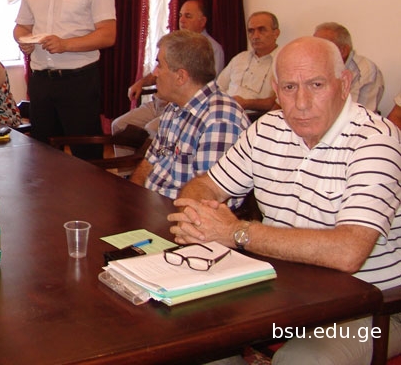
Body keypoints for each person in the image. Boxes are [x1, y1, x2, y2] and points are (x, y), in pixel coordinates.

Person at [168, 37, 401, 364]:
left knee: (301, 361)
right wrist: (200, 216)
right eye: (290, 88)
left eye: (316, 85)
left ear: (344, 84)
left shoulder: (375, 141)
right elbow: (206, 185)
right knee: (191, 335)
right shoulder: (267, 129)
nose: (302, 102)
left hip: (373, 310)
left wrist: (236, 232)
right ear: (276, 90)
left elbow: (348, 252)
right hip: (285, 294)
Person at [13, 0, 116, 143]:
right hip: (41, 81)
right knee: (43, 153)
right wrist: (23, 40)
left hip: (78, 81)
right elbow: (21, 26)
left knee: (85, 154)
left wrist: (65, 44)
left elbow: (108, 34)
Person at [128, 30, 248, 199]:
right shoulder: (173, 108)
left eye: (159, 65)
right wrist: (131, 198)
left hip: (179, 210)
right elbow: (149, 162)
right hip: (152, 202)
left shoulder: (220, 121)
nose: (155, 73)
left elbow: (205, 199)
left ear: (181, 76)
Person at [112, 0, 225, 136]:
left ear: (202, 21)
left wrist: (175, 98)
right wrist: (141, 83)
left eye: (188, 16)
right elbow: (158, 71)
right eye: (180, 15)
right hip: (158, 102)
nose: (182, 20)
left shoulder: (212, 49)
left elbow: (207, 85)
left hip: (180, 104)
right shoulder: (174, 43)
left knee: (151, 130)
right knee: (119, 125)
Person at [216, 11, 281, 115]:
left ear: (276, 33)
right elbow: (218, 87)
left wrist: (247, 103)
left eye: (261, 30)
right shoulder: (240, 58)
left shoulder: (282, 61)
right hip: (225, 112)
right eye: (251, 31)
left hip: (254, 117)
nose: (255, 36)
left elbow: (279, 100)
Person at [313, 21, 384, 111]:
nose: (313, 52)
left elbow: (357, 113)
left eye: (321, 47)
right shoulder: (312, 66)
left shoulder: (366, 71)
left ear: (343, 51)